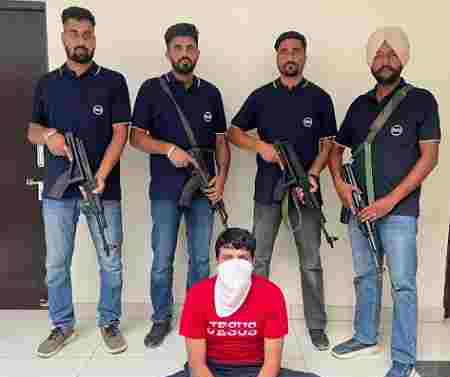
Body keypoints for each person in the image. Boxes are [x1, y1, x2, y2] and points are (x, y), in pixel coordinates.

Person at [328, 27, 440, 377]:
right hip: (360, 209)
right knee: (365, 275)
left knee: (403, 284)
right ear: (370, 61)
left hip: (399, 211)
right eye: (379, 54)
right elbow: (335, 150)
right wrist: (340, 185)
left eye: (392, 54)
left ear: (403, 58)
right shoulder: (360, 105)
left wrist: (391, 201)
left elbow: (429, 158)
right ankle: (365, 337)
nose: (385, 60)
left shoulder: (421, 100)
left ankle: (404, 359)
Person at [143, 228, 328, 377]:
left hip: (255, 373)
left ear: (252, 261)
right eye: (228, 257)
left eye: (242, 258)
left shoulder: (270, 293)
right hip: (213, 372)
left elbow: (271, 364)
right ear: (217, 260)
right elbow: (197, 366)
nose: (235, 264)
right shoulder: (198, 294)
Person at [27, 6, 131, 357]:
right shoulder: (47, 83)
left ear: (94, 38)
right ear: (63, 37)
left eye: (87, 34)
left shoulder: (113, 81)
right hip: (58, 192)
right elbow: (32, 129)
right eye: (74, 33)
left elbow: (120, 134)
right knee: (56, 263)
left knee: (111, 261)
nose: (81, 40)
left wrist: (101, 175)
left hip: (102, 188)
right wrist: (50, 137)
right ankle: (61, 325)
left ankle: (109, 321)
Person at [228, 31, 337, 350]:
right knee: (258, 259)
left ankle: (316, 326)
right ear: (277, 56)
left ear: (304, 56)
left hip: (305, 188)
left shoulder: (320, 98)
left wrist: (313, 173)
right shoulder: (262, 96)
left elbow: (328, 144)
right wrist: (259, 147)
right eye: (285, 51)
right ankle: (255, 322)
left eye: (296, 51)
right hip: (268, 189)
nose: (290, 57)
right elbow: (234, 132)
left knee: (311, 260)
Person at [130, 23, 231, 348]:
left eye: (189, 48)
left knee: (201, 260)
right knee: (162, 260)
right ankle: (161, 318)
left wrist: (222, 179)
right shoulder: (151, 89)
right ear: (168, 52)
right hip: (164, 189)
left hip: (203, 187)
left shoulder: (211, 93)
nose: (184, 53)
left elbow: (221, 142)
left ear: (197, 53)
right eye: (178, 48)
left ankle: (196, 318)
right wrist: (167, 149)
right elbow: (136, 137)